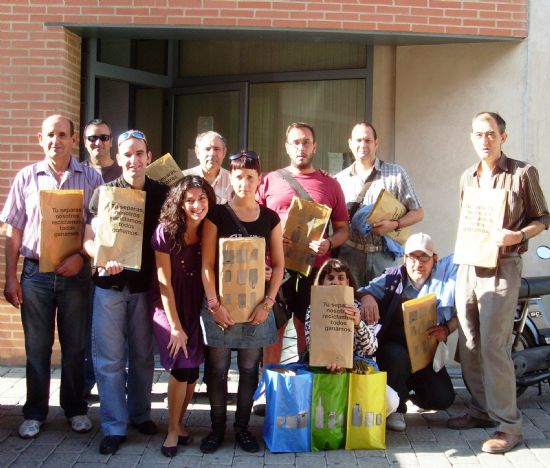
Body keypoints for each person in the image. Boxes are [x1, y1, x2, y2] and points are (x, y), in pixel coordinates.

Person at [447, 112, 550, 454]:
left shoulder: (522, 173)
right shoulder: (468, 177)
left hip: (503, 266)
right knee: (469, 341)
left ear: (502, 137)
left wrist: (518, 234)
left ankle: (510, 426)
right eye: (478, 134)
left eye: (491, 133)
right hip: (469, 266)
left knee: (493, 344)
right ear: (472, 137)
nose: (484, 140)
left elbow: (542, 217)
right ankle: (480, 409)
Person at [1, 114, 102, 439]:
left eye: (62, 134)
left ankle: (74, 409)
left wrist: (81, 256)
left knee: (75, 347)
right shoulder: (26, 177)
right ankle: (34, 412)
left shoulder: (91, 178)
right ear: (39, 138)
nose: (55, 140)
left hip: (76, 275)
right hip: (35, 275)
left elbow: (101, 228)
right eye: (49, 134)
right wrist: (11, 278)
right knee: (37, 348)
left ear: (74, 139)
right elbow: (13, 230)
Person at [83, 129, 169, 454]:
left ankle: (140, 414)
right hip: (109, 286)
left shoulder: (162, 193)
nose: (134, 160)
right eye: (127, 154)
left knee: (144, 357)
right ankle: (114, 426)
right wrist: (102, 257)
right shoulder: (104, 193)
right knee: (109, 360)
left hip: (145, 287)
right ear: (118, 158)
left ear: (148, 157)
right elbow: (88, 240)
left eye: (140, 153)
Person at [200, 150, 284, 453]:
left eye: (250, 176)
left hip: (255, 309)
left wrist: (267, 304)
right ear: (230, 178)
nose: (244, 181)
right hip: (220, 307)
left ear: (259, 179)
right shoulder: (216, 214)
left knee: (249, 369)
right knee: (218, 369)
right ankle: (217, 428)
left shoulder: (270, 218)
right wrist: (213, 303)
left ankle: (243, 429)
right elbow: (207, 265)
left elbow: (279, 265)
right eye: (238, 175)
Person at [257, 122, 349, 365]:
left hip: (315, 269)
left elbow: (343, 230)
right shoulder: (269, 181)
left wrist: (328, 244)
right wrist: (269, 240)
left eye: (306, 142)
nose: (301, 147)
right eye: (296, 142)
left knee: (306, 328)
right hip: (275, 268)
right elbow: (252, 226)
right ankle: (269, 388)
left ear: (315, 147)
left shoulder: (330, 185)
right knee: (273, 330)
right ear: (287, 147)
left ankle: (305, 387)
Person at [359, 233, 457, 432]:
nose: (418, 263)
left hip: (424, 352)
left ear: (434, 259)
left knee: (443, 399)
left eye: (424, 257)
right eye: (413, 257)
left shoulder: (445, 282)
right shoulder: (393, 278)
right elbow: (361, 291)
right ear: (405, 259)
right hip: (393, 351)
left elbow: (460, 315)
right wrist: (367, 297)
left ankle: (407, 390)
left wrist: (446, 329)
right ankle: (397, 409)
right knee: (395, 356)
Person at [149, 176, 216, 458]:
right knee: (180, 362)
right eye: (189, 200)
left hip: (195, 301)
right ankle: (172, 430)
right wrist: (175, 326)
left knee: (192, 370)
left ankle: (180, 422)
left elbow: (211, 266)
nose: (196, 205)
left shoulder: (209, 229)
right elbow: (164, 282)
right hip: (168, 303)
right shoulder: (165, 231)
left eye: (201, 199)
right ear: (179, 202)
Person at [304, 258, 399, 416]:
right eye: (330, 278)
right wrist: (330, 360)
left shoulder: (359, 307)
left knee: (392, 400)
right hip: (324, 369)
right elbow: (310, 345)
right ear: (322, 282)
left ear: (348, 282)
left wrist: (358, 323)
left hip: (358, 370)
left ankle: (365, 421)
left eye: (340, 278)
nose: (335, 282)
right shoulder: (313, 308)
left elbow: (371, 348)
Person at [335, 122, 423, 285]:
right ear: (350, 143)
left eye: (368, 140)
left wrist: (395, 224)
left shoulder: (396, 173)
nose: (363, 145)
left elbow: (418, 212)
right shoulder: (339, 180)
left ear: (376, 143)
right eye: (358, 140)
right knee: (349, 307)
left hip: (383, 257)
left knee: (383, 308)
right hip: (349, 256)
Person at [81, 118, 122, 398]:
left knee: (117, 333)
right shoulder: (78, 173)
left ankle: (121, 385)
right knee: (87, 330)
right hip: (83, 263)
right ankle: (85, 385)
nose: (99, 143)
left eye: (104, 137)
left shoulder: (124, 172)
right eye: (93, 138)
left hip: (119, 268)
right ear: (84, 142)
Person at [182, 130, 233, 204]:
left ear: (224, 153)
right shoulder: (183, 178)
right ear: (197, 152)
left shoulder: (232, 181)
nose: (212, 153)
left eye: (216, 149)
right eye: (207, 149)